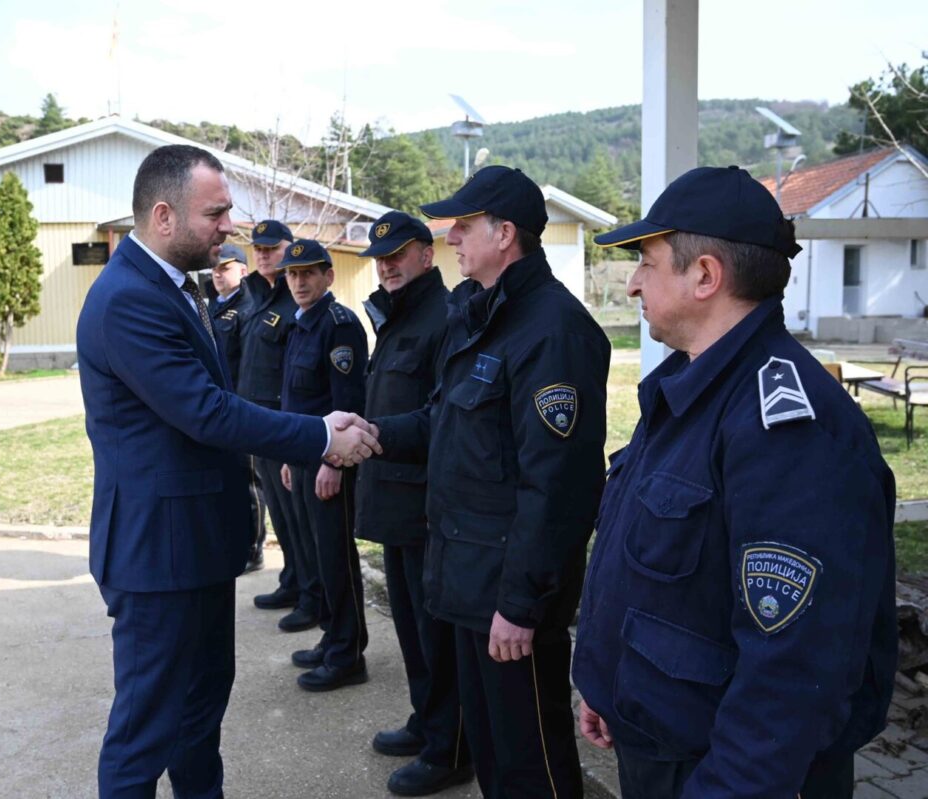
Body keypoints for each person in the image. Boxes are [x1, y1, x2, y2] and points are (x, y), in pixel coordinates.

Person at [571, 165, 897, 799]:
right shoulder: (693, 392)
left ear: (705, 276)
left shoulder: (788, 432)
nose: (634, 283)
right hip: (661, 742)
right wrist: (609, 683)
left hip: (719, 773)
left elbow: (796, 675)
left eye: (647, 260)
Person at [75, 144, 380, 798]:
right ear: (163, 215)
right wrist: (319, 435)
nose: (228, 225)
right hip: (157, 555)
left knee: (200, 712)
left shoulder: (173, 287)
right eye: (214, 213)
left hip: (195, 547)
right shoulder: (130, 298)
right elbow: (206, 412)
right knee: (144, 731)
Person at [371, 165, 610, 798]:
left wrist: (523, 603)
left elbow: (557, 485)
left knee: (532, 760)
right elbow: (445, 423)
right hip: (469, 583)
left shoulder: (551, 329)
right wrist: (372, 435)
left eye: (463, 225)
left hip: (508, 598)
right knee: (497, 762)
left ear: (505, 234)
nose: (449, 237)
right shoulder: (484, 317)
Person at [353, 211, 473, 795]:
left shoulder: (443, 318)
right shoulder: (396, 316)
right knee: (409, 628)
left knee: (435, 637)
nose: (388, 265)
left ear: (428, 255)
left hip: (426, 505)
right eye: (381, 258)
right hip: (395, 503)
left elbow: (441, 417)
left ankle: (450, 748)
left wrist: (372, 435)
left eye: (399, 253)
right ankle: (428, 722)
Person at [276, 238, 371, 692]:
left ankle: (348, 655)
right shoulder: (300, 325)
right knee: (317, 554)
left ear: (328, 276)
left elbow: (347, 402)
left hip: (331, 463)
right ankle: (333, 636)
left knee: (335, 557)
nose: (299, 282)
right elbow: (297, 401)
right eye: (293, 275)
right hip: (306, 459)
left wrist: (334, 462)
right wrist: (294, 458)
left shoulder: (339, 325)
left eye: (309, 273)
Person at [237, 219, 321, 632]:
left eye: (272, 248)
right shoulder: (260, 298)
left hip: (283, 424)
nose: (264, 254)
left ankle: (312, 594)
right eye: (259, 248)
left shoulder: (296, 304)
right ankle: (292, 580)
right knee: (283, 519)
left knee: (298, 517)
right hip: (259, 424)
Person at [208, 243, 265, 573]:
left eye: (225, 268)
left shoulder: (249, 308)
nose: (218, 273)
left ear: (243, 271)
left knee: (250, 480)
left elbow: (248, 363)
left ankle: (254, 547)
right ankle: (235, 541)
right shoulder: (211, 308)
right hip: (219, 407)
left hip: (243, 405)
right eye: (215, 268)